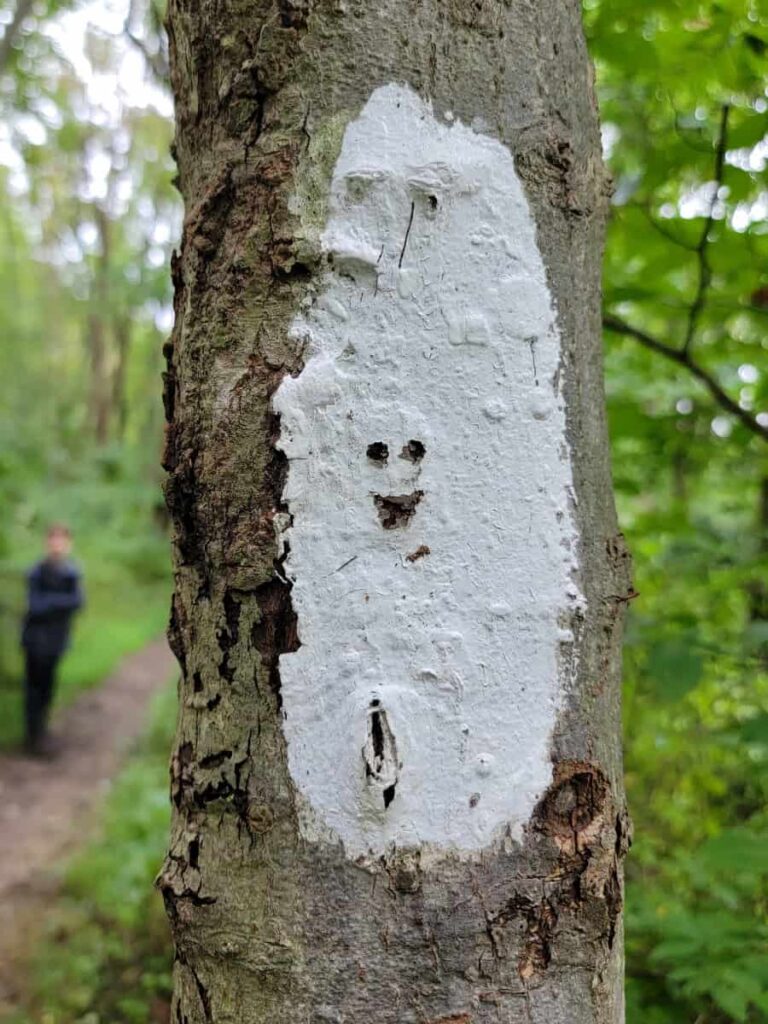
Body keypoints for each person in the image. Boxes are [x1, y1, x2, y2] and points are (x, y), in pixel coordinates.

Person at [20, 524, 84, 756]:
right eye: (53, 539)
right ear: (47, 543)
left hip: (56, 641)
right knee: (33, 689)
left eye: (62, 540)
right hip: (35, 641)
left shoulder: (71, 572)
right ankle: (32, 736)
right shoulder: (37, 571)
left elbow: (77, 603)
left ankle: (41, 734)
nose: (57, 545)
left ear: (68, 543)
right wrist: (60, 602)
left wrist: (51, 602)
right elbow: (35, 606)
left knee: (47, 688)